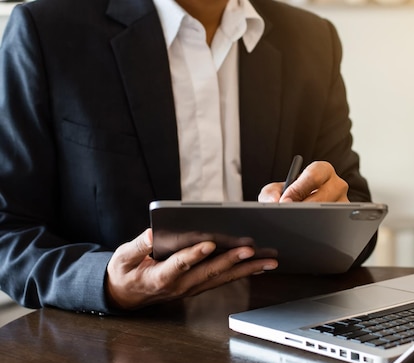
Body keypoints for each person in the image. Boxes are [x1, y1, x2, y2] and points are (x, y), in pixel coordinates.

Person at [0, 0, 374, 314]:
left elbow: (357, 212)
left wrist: (335, 217)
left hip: (283, 346)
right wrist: (106, 283)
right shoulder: (46, 30)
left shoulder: (312, 40)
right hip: (110, 355)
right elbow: (8, 229)